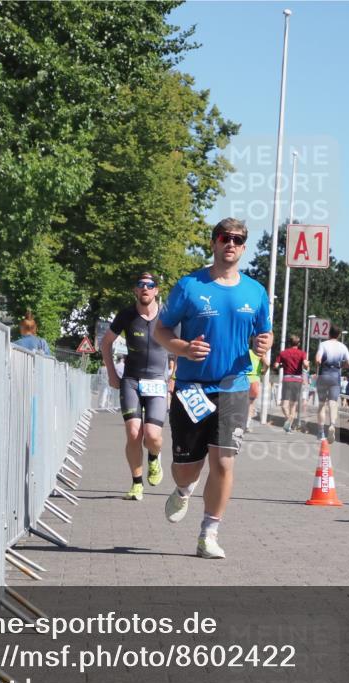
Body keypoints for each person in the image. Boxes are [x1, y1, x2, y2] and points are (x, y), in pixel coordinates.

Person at [153, 218, 272, 559]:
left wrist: (263, 345)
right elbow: (161, 331)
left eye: (237, 239)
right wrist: (183, 349)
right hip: (192, 387)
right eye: (224, 237)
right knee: (187, 466)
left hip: (233, 386)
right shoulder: (190, 286)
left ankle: (209, 533)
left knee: (223, 462)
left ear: (244, 247)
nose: (230, 243)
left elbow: (264, 334)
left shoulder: (255, 292)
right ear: (214, 242)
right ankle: (183, 489)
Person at [99, 272, 170, 501]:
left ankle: (154, 457)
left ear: (156, 291)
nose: (145, 289)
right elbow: (106, 342)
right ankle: (136, 483)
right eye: (141, 285)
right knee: (133, 433)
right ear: (135, 290)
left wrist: (175, 378)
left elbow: (179, 347)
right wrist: (111, 372)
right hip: (131, 380)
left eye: (150, 286)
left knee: (152, 436)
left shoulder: (167, 316)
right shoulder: (127, 315)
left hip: (158, 381)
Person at [314, 325, 349, 443]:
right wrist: (341, 365)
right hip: (335, 376)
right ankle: (332, 424)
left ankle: (321, 431)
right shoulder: (343, 347)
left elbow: (317, 359)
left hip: (324, 374)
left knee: (321, 404)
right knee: (333, 403)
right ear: (339, 335)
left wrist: (318, 363)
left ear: (328, 334)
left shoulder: (323, 345)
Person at [274, 334, 309, 432]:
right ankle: (289, 423)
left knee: (284, 405)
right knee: (293, 405)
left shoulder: (283, 353)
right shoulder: (302, 353)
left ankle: (288, 421)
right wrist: (306, 366)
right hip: (297, 380)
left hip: (287, 380)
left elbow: (276, 365)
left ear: (289, 343)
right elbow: (305, 365)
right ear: (299, 343)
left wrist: (282, 365)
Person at [245, 343, 269, 432]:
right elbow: (267, 364)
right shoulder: (261, 354)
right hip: (254, 379)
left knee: (241, 402)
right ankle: (247, 424)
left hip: (243, 379)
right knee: (250, 404)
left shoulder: (247, 352)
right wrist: (263, 371)